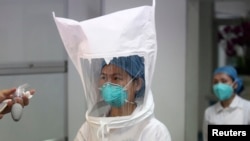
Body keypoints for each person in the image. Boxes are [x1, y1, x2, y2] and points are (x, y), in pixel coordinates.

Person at [202, 65, 250, 141]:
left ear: (235, 85)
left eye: (224, 81)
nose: (219, 86)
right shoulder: (209, 112)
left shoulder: (247, 108)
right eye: (215, 82)